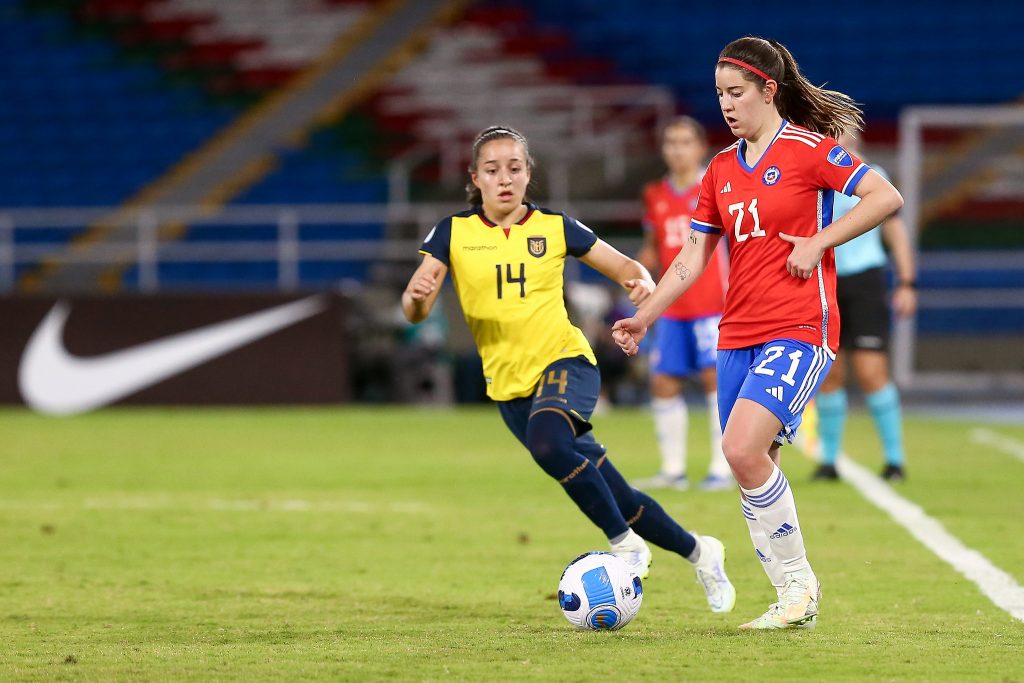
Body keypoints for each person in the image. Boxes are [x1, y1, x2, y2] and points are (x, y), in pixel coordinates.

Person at [611, 38, 903, 630]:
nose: (726, 104)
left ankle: (800, 587)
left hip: (800, 326)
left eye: (736, 92)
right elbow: (690, 259)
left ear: (769, 90)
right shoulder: (719, 169)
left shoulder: (810, 150)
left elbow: (885, 196)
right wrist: (644, 315)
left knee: (741, 450)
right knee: (751, 463)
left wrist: (820, 242)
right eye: (719, 93)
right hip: (736, 332)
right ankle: (789, 598)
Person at [402, 125, 736, 614]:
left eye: (515, 168)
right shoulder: (451, 233)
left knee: (548, 442)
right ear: (475, 178)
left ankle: (624, 544)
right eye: (492, 170)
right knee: (618, 492)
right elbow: (415, 308)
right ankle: (701, 552)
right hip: (508, 384)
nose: (504, 179)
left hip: (566, 360)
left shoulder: (556, 226)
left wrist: (640, 286)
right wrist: (414, 300)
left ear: (528, 173)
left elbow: (626, 267)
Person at [632, 116, 733, 492]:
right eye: (670, 142)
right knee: (663, 382)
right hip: (672, 307)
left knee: (714, 381)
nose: (677, 149)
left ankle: (721, 468)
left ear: (700, 146)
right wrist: (641, 276)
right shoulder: (654, 194)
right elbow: (652, 246)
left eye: (684, 142)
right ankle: (673, 470)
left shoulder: (717, 187)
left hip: (713, 303)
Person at [812, 132, 916, 483]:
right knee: (829, 374)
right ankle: (828, 461)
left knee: (872, 372)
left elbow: (895, 232)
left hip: (865, 281)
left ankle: (894, 459)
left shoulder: (873, 174)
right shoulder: (814, 176)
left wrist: (906, 281)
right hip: (826, 281)